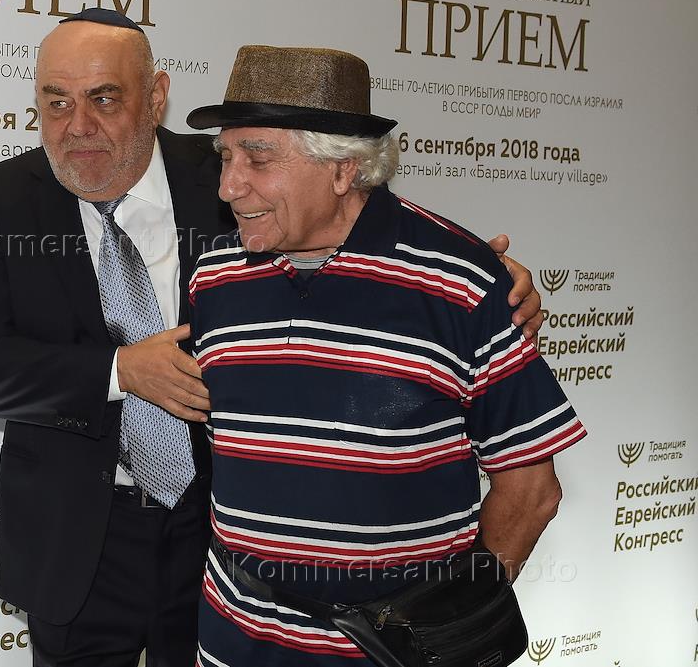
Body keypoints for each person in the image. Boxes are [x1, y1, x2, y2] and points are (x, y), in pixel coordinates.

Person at [0, 12, 543, 667]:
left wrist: (483, 281)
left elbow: (352, 224)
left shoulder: (229, 172)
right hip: (78, 539)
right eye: (56, 101)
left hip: (214, 535)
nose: (77, 125)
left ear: (156, 96)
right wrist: (119, 370)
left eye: (104, 98)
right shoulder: (5, 198)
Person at [185, 46, 585, 666]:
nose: (228, 185)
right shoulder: (214, 277)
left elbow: (531, 490)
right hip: (232, 643)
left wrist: (454, 625)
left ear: (343, 169)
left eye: (257, 159)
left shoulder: (461, 282)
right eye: (226, 157)